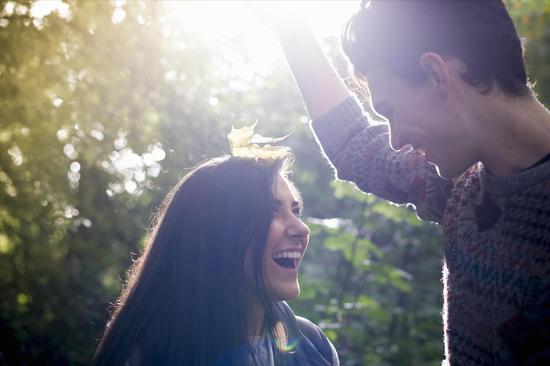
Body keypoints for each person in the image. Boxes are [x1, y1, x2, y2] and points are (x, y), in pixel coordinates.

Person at [267, 0, 550, 365]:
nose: (396, 140)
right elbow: (353, 143)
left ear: (436, 74)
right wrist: (290, 29)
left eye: (390, 111)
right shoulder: (461, 187)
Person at [93, 138, 339, 365]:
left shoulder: (315, 348)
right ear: (218, 230)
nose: (302, 228)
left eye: (295, 211)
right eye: (271, 211)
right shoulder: (142, 356)